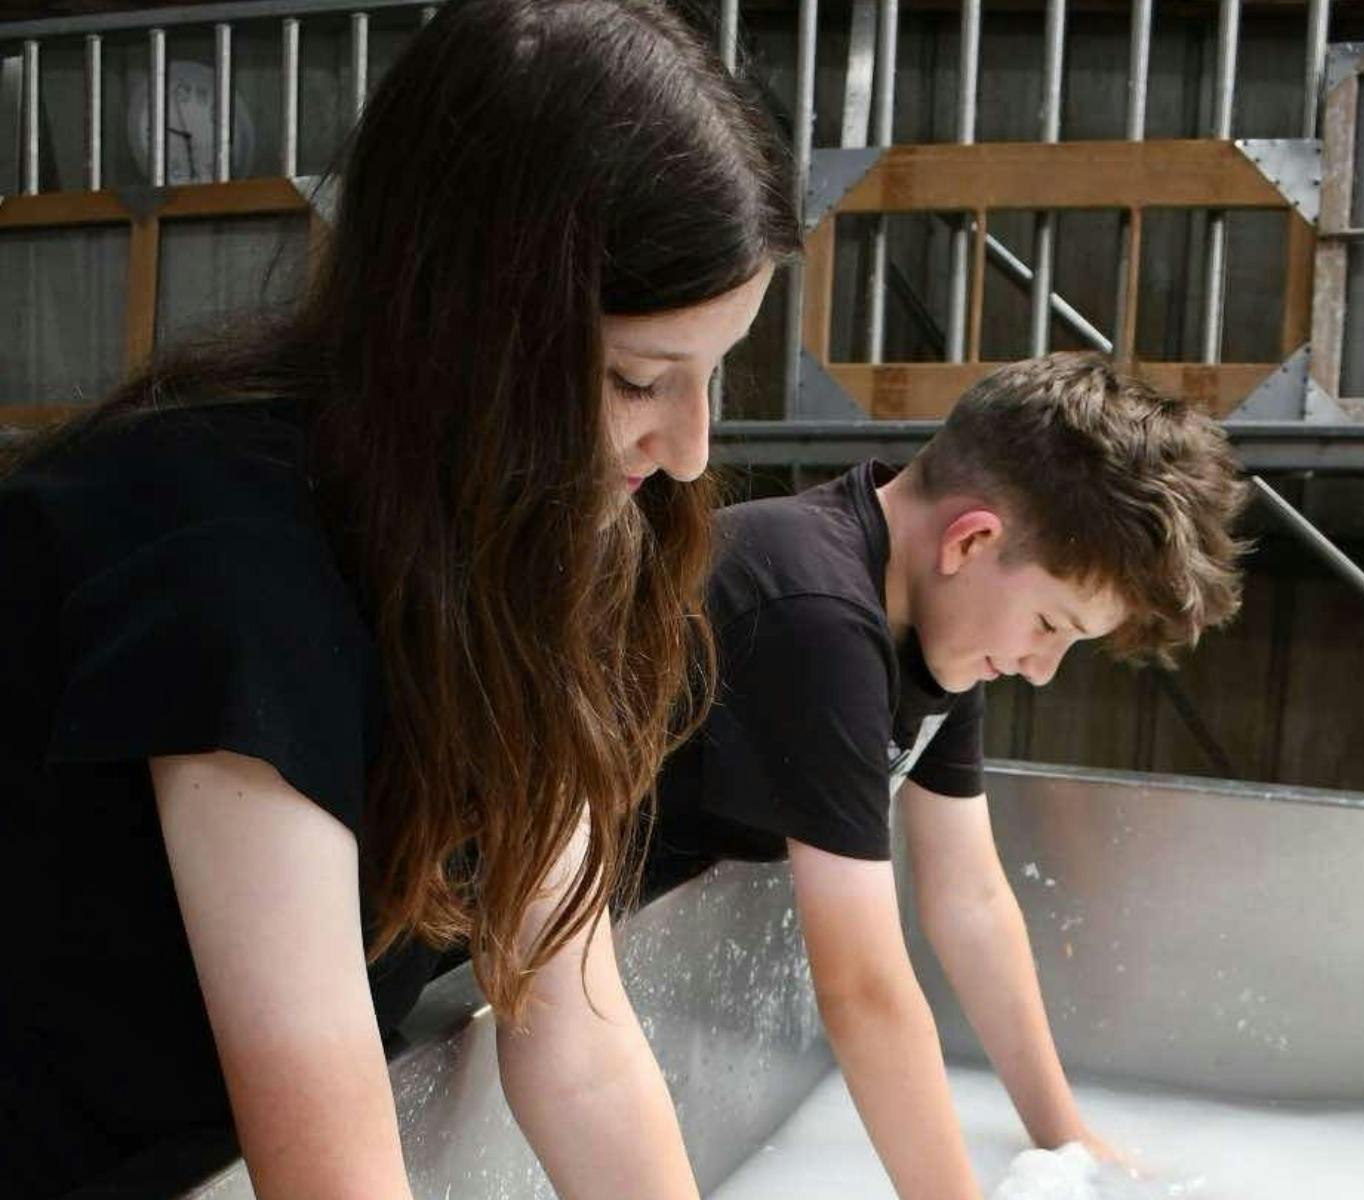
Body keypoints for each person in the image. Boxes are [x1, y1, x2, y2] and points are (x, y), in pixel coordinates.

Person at [0, 1, 797, 1196]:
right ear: (464, 334)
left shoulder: (523, 530)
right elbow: (328, 1166)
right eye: (638, 381)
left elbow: (576, 1041)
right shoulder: (219, 566)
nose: (689, 451)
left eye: (712, 377)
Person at [642, 353, 1247, 1199]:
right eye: (1050, 625)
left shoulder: (937, 621)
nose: (1041, 669)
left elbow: (971, 898)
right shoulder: (814, 612)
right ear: (971, 540)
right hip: (480, 957)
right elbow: (862, 987)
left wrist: (1066, 1138)